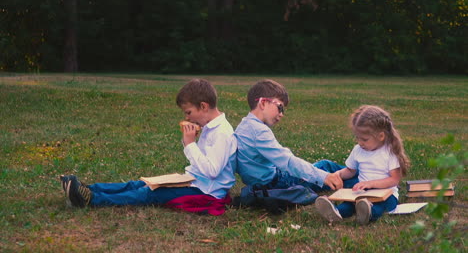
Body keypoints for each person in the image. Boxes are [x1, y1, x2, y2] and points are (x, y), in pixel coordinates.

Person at [60, 79, 237, 215]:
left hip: (205, 191)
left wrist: (190, 144)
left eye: (189, 112)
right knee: (142, 184)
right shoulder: (209, 127)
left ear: (203, 106)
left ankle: (91, 199)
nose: (187, 117)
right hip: (193, 180)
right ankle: (90, 188)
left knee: (148, 194)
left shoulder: (222, 132)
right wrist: (188, 143)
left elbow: (212, 171)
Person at [234, 79, 355, 210]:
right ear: (263, 103)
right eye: (279, 107)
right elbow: (288, 162)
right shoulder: (258, 131)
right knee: (326, 167)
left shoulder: (243, 127)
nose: (281, 114)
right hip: (276, 183)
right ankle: (365, 183)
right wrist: (324, 177)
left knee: (325, 168)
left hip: (260, 185)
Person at [315, 105, 410, 225]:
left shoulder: (389, 152)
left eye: (364, 139)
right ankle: (335, 213)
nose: (360, 143)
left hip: (386, 194)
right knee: (349, 204)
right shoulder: (358, 150)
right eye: (357, 138)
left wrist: (370, 184)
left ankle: (368, 214)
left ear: (381, 136)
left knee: (381, 206)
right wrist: (337, 174)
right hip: (362, 193)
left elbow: (394, 180)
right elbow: (350, 171)